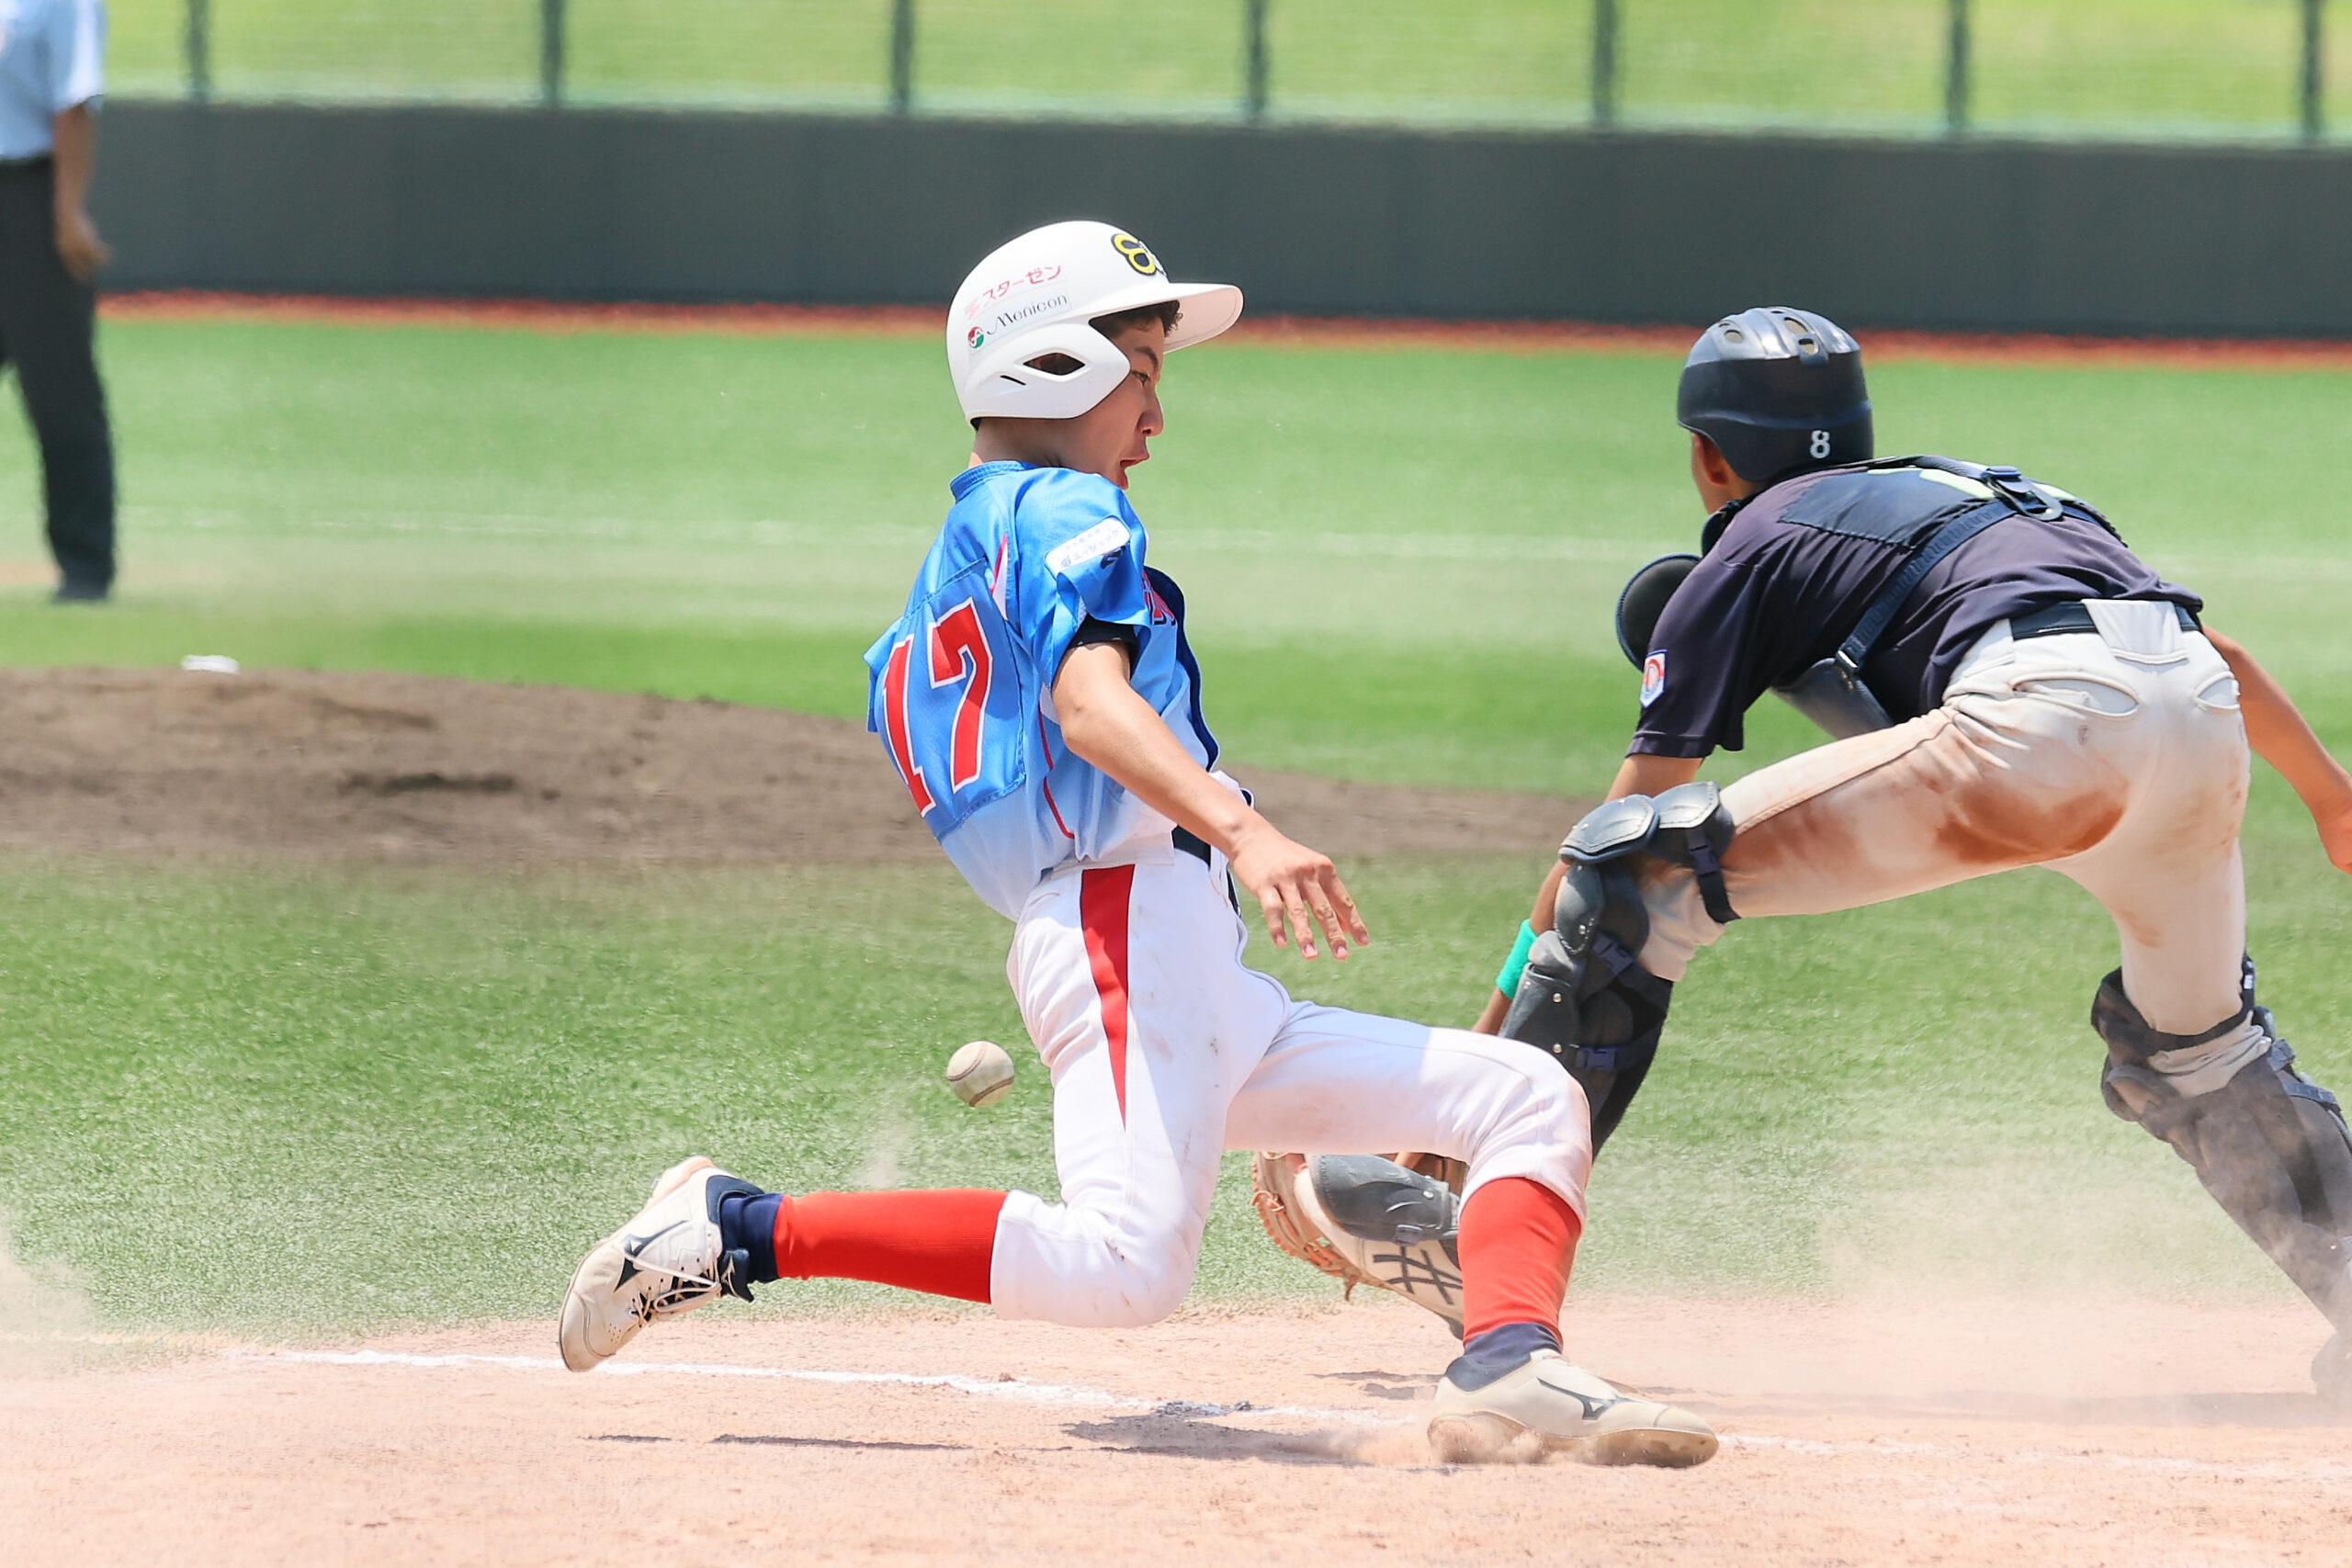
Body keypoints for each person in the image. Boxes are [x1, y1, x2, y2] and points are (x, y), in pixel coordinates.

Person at [554, 220, 1719, 1467]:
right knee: (1125, 1266)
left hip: (1167, 950)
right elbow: (1087, 702)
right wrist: (1247, 830)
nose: (1156, 415)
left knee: (1524, 1093)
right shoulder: (1061, 503)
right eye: (1143, 372)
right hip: (1121, 917)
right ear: (1050, 365)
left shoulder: (966, 557)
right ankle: (734, 1228)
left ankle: (1507, 1364)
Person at [1317, 307, 2352, 1396]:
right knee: (2197, 1048)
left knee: (1638, 883)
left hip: (2040, 723)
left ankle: (1471, 1230)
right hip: (2198, 726)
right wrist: (2334, 804)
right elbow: (2219, 654)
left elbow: (1603, 854)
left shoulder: (1753, 542)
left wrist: (1466, 1077)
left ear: (1707, 455)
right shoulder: (1978, 495)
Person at [0, 0, 113, 602]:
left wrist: (68, 213)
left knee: (59, 389)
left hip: (30, 198)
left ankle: (85, 566)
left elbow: (74, 103)